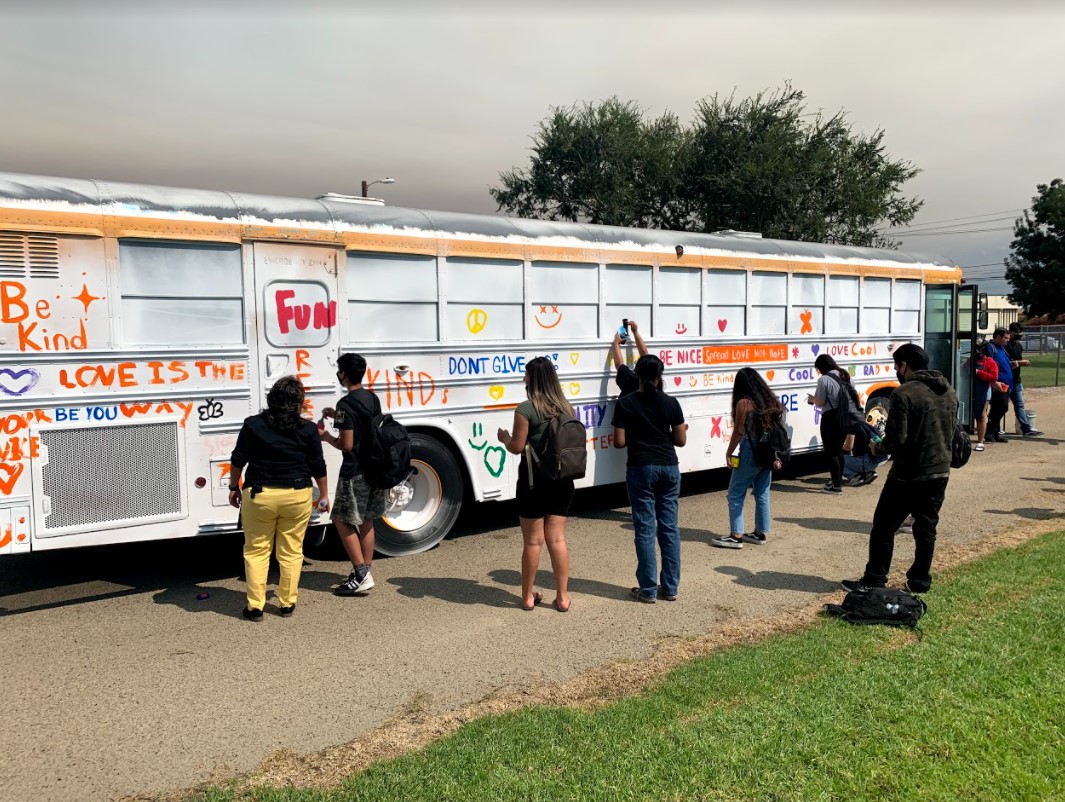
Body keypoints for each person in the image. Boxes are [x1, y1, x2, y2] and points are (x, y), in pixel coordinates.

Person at [842, 343, 959, 595]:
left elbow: (896, 439)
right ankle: (919, 581)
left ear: (904, 365)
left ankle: (874, 578)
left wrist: (876, 448)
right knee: (926, 527)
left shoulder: (904, 393)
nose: (896, 370)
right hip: (940, 469)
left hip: (909, 472)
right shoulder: (949, 390)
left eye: (897, 365)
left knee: (884, 526)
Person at [229, 376, 329, 621]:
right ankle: (287, 603)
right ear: (299, 403)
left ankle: (255, 607)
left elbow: (238, 459)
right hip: (297, 495)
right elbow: (318, 465)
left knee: (256, 551)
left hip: (260, 495)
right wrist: (324, 494)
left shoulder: (253, 425)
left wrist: (234, 487)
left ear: (271, 398)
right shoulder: (307, 429)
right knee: (292, 551)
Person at [497, 356, 574, 612]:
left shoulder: (526, 409)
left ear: (534, 379)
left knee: (533, 542)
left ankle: (528, 598)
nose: (523, 379)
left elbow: (517, 447)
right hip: (562, 481)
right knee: (557, 539)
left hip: (533, 482)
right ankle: (562, 598)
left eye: (526, 375)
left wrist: (505, 438)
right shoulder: (566, 407)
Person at [612, 354, 688, 601]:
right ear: (660, 375)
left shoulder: (625, 403)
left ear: (638, 375)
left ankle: (647, 590)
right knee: (669, 528)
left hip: (641, 467)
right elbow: (680, 441)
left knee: (645, 528)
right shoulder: (671, 403)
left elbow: (619, 442)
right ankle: (670, 587)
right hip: (668, 467)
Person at [320, 353, 386, 597]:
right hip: (375, 468)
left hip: (355, 471)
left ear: (344, 374)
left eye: (339, 370)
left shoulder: (345, 405)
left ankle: (360, 574)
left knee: (341, 519)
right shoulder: (372, 397)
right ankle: (365, 571)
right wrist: (334, 415)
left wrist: (326, 437)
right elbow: (365, 424)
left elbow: (347, 445)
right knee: (367, 520)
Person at [711, 367, 785, 549]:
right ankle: (760, 532)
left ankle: (736, 535)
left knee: (735, 492)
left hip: (750, 451)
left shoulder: (744, 403)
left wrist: (729, 452)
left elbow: (738, 432)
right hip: (767, 452)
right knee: (762, 492)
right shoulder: (770, 402)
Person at [808, 354, 861, 494]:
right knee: (839, 450)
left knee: (831, 452)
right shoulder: (845, 375)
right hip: (845, 416)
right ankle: (837, 481)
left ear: (821, 367)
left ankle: (836, 487)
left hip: (830, 418)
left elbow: (820, 402)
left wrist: (811, 399)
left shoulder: (824, 380)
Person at [1006, 322, 1043, 436]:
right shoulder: (1005, 346)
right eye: (1016, 333)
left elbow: (1017, 361)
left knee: (1020, 405)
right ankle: (994, 428)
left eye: (1020, 333)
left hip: (1016, 379)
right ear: (1011, 332)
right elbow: (1006, 362)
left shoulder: (1018, 346)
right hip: (1005, 379)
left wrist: (1020, 363)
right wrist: (1019, 362)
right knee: (1001, 405)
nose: (1019, 335)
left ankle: (1026, 428)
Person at [842, 404, 889, 486]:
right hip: (879, 458)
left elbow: (848, 447)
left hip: (869, 460)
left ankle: (855, 476)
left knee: (834, 458)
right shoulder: (866, 425)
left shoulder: (852, 426)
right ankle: (867, 473)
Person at [986, 328, 1014, 442]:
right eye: (1005, 338)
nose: (1007, 341)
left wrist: (1013, 364)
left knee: (998, 407)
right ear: (998, 337)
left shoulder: (1002, 349)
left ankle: (995, 432)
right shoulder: (990, 348)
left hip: (1006, 384)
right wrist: (993, 382)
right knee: (1001, 407)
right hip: (997, 384)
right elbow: (987, 365)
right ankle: (989, 431)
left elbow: (1003, 364)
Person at [610, 319, 649, 397]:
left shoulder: (631, 381)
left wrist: (616, 343)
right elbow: (645, 356)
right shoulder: (649, 380)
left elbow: (619, 364)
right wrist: (635, 332)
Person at [972, 341, 998, 452]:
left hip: (984, 391)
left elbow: (993, 378)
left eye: (979, 350)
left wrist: (979, 373)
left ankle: (980, 441)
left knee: (981, 416)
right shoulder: (972, 361)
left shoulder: (990, 362)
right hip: (971, 391)